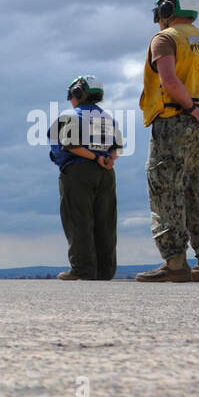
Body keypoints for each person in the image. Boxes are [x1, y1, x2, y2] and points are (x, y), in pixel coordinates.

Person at [136, 0, 199, 282]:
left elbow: (170, 81)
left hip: (173, 120)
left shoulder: (165, 39)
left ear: (166, 11)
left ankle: (175, 264)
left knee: (166, 190)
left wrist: (191, 109)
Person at [48, 74, 122, 280]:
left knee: (78, 220)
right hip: (107, 174)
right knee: (105, 221)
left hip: (78, 172)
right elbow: (115, 149)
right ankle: (105, 271)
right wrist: (106, 160)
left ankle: (82, 269)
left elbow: (70, 145)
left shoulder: (70, 117)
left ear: (78, 93)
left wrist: (94, 157)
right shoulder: (109, 119)